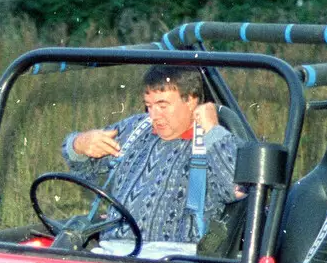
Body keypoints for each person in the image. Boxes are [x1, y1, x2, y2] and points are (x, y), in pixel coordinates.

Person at [61, 65, 240, 245]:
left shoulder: (214, 143)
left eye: (162, 105)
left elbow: (237, 187)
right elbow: (85, 168)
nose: (154, 115)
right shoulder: (136, 129)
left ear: (191, 101)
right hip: (112, 252)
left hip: (175, 262)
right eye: (149, 106)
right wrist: (79, 144)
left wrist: (212, 130)